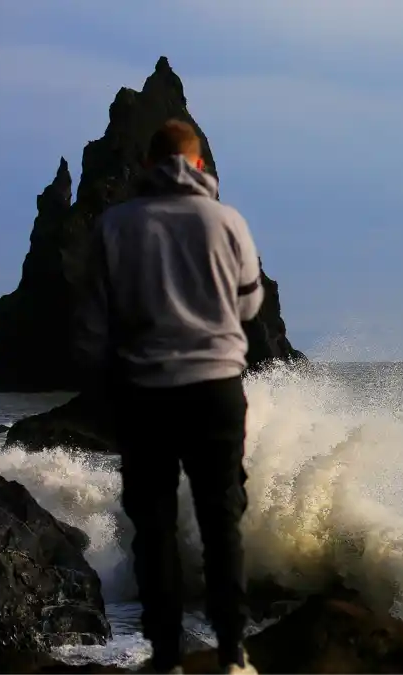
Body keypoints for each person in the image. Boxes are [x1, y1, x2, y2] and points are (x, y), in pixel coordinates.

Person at [74, 119, 263, 674]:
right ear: (200, 165)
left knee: (153, 526)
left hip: (145, 392)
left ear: (146, 166)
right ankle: (232, 654)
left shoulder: (115, 226)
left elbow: (91, 327)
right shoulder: (227, 220)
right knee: (221, 519)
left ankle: (165, 659)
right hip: (216, 388)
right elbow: (250, 306)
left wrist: (106, 379)